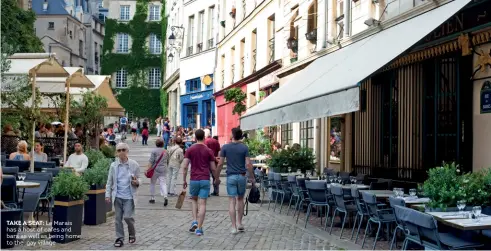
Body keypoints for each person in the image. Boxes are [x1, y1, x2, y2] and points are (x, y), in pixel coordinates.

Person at [180, 129, 219, 236]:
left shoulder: (190, 150)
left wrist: (184, 179)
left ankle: (194, 221)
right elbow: (213, 168)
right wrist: (216, 178)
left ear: (195, 138)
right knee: (203, 204)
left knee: (193, 200)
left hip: (194, 179)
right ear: (204, 138)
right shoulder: (208, 151)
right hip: (205, 179)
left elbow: (184, 166)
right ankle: (199, 228)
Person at [217, 128, 254, 234]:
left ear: (232, 135)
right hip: (242, 176)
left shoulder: (225, 147)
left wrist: (217, 177)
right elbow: (248, 164)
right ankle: (239, 223)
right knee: (240, 199)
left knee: (231, 201)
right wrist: (252, 177)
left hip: (231, 176)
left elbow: (220, 164)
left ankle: (233, 227)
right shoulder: (244, 148)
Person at [105, 143, 140, 248]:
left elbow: (139, 178)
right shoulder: (113, 165)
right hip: (117, 196)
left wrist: (137, 182)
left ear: (127, 151)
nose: (121, 152)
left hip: (129, 196)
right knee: (117, 219)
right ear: (117, 152)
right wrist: (107, 195)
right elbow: (109, 182)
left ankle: (132, 233)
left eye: (123, 150)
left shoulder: (134, 164)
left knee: (128, 217)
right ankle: (119, 238)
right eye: (119, 150)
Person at [148, 139, 169, 206]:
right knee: (163, 183)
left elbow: (151, 161)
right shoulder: (166, 151)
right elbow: (167, 161)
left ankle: (152, 198)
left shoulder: (154, 151)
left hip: (154, 169)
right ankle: (165, 196)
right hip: (163, 169)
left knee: (152, 183)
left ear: (156, 144)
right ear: (163, 144)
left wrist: (147, 169)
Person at [204, 130, 221, 196]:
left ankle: (207, 192)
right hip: (215, 161)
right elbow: (219, 151)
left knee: (207, 177)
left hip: (207, 161)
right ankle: (216, 191)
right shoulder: (215, 141)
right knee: (215, 176)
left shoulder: (205, 141)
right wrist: (218, 158)